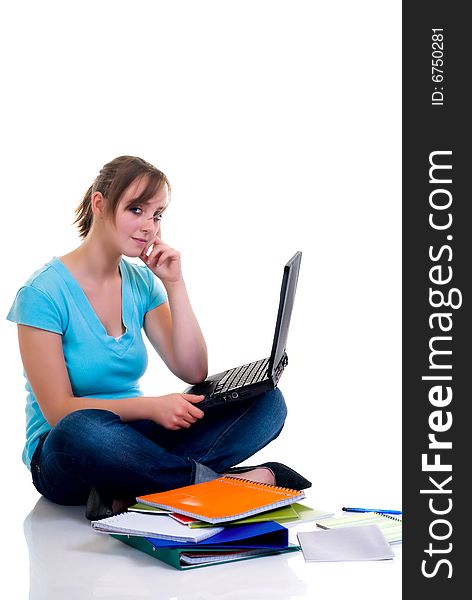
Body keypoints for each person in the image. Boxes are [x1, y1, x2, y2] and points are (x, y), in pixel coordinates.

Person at [7, 156, 310, 519]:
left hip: (136, 441)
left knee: (267, 403)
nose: (149, 226)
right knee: (81, 429)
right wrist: (151, 406)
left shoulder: (140, 282)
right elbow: (58, 411)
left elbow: (193, 370)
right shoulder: (42, 294)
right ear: (99, 204)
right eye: (136, 209)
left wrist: (174, 283)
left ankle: (130, 492)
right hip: (68, 451)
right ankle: (220, 486)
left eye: (158, 214)